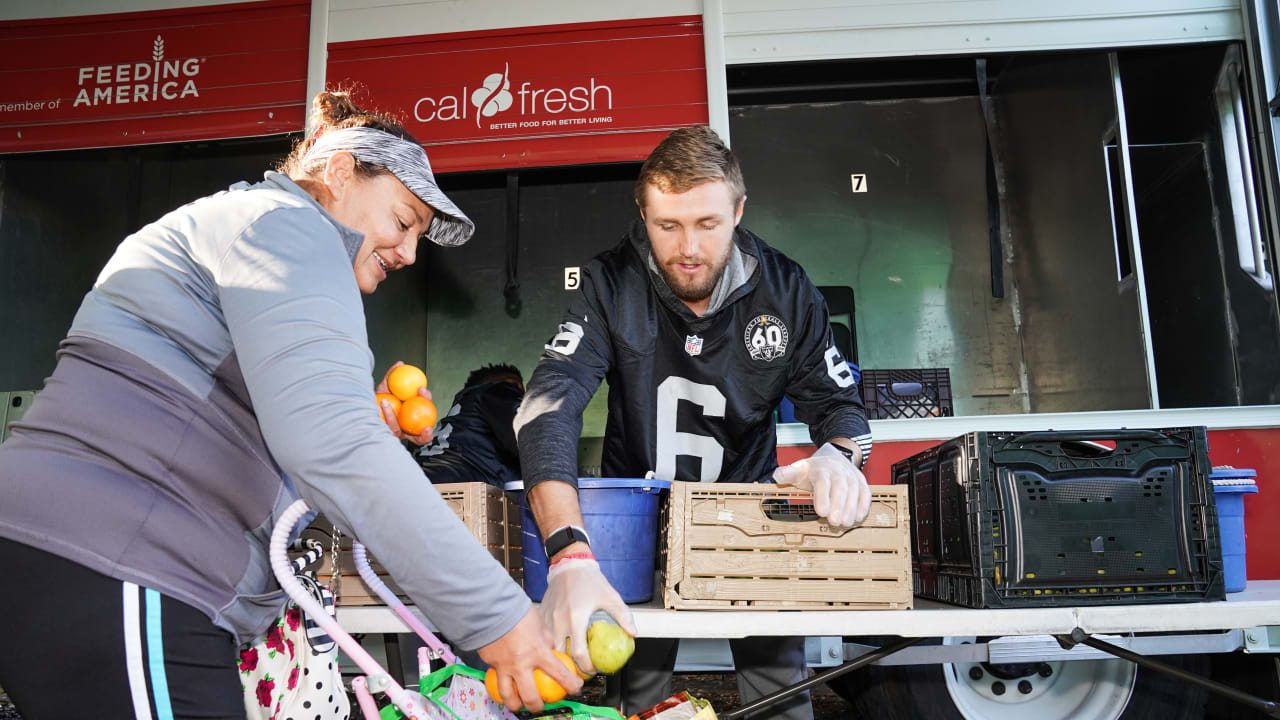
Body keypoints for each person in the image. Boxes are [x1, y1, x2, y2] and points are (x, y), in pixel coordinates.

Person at [0, 91, 578, 718]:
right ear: (337, 172)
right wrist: (499, 619)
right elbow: (333, 444)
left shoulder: (244, 223)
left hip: (93, 561)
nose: (410, 253)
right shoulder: (285, 225)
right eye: (403, 221)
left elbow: (232, 406)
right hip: (118, 561)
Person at [514, 125, 874, 719]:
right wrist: (570, 552)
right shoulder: (610, 283)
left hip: (750, 524)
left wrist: (839, 456)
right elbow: (547, 407)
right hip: (639, 536)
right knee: (639, 700)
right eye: (667, 225)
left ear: (738, 210)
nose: (688, 247)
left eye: (708, 224)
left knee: (779, 692)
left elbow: (842, 409)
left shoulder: (786, 291)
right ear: (643, 213)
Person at [416, 363, 525, 487]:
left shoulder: (464, 410)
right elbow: (527, 435)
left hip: (423, 475)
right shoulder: (498, 390)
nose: (520, 393)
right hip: (456, 480)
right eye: (516, 386)